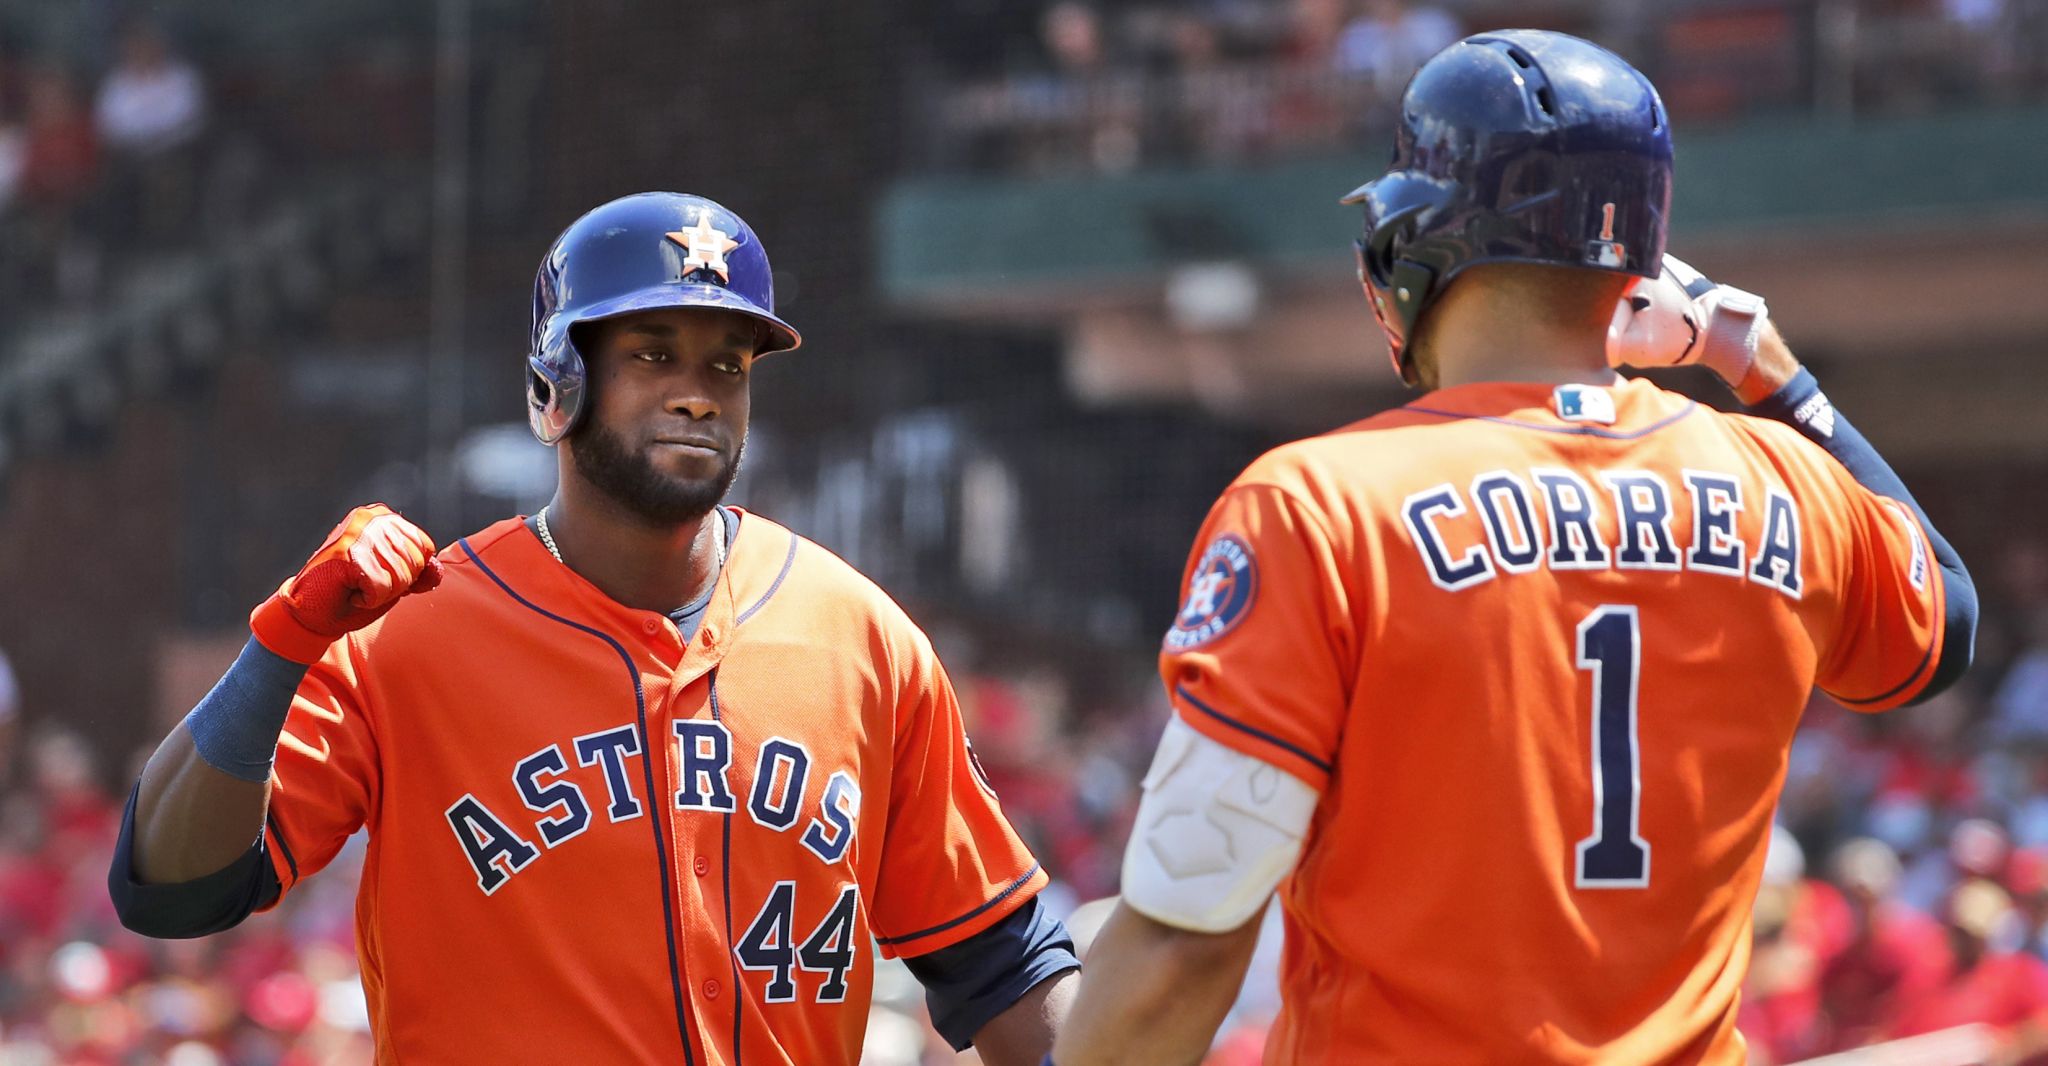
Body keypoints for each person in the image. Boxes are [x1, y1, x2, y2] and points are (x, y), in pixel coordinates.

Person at [1052, 29, 1976, 1064]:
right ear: (1643, 266)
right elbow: (1942, 622)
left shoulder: (1317, 501)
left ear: (1412, 247)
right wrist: (1767, 369)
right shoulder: (1784, 481)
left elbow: (1183, 941)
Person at [108, 192, 1079, 1064]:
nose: (698, 391)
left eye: (726, 364)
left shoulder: (860, 636)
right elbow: (171, 885)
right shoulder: (411, 633)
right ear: (554, 388)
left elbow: (1004, 965)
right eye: (652, 353)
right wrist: (282, 645)